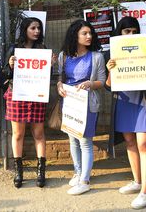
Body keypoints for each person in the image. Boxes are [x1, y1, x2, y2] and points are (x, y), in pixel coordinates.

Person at [3, 17, 55, 188]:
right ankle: (19, 172)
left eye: (38, 28)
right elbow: (4, 73)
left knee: (38, 133)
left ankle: (41, 171)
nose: (37, 31)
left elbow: (47, 74)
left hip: (36, 95)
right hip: (17, 94)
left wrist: (51, 65)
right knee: (17, 134)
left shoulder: (42, 49)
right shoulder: (14, 49)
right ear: (25, 29)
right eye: (33, 28)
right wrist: (10, 65)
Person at [57, 20, 106, 195]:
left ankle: (85, 180)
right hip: (69, 103)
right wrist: (59, 87)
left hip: (88, 104)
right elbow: (60, 79)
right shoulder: (64, 56)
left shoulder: (97, 56)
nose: (89, 36)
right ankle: (78, 172)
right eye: (84, 33)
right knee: (72, 139)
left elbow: (102, 81)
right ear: (74, 35)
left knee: (85, 142)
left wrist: (90, 84)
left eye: (90, 33)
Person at [105, 16, 146, 209]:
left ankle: (145, 192)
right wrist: (111, 70)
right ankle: (137, 181)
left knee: (143, 144)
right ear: (119, 32)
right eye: (126, 31)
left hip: (143, 100)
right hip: (123, 100)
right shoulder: (111, 55)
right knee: (129, 142)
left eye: (134, 31)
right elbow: (108, 87)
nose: (130, 34)